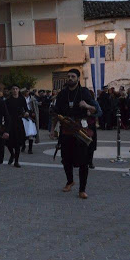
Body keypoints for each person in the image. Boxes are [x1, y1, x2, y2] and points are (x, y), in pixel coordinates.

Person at [49, 69, 96, 200]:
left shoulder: (84, 92)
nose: (70, 78)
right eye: (68, 76)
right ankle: (70, 182)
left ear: (78, 78)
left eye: (73, 76)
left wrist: (86, 105)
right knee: (66, 159)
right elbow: (56, 113)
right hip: (66, 130)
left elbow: (94, 109)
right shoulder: (62, 94)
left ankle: (82, 189)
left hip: (80, 130)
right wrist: (52, 129)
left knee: (83, 161)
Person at [5, 85, 29, 168]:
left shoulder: (22, 99)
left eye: (16, 89)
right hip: (9, 122)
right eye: (13, 89)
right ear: (11, 90)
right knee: (8, 142)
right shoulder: (8, 100)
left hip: (18, 122)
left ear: (18, 90)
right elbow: (5, 111)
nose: (15, 90)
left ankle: (16, 161)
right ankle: (12, 154)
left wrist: (26, 113)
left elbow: (26, 109)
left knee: (18, 142)